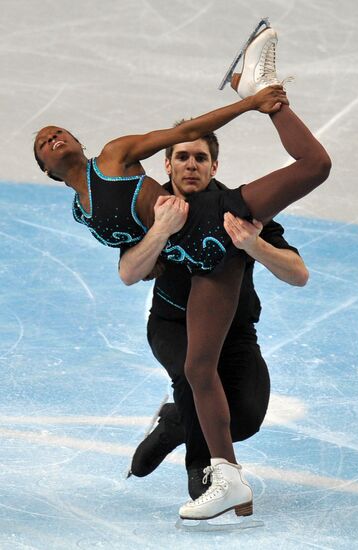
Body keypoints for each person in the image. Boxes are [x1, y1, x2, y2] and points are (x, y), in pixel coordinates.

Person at [33, 26, 331, 520]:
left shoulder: (113, 156)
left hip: (219, 221)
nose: (51, 136)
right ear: (46, 170)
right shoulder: (83, 212)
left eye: (58, 131)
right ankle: (223, 475)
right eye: (42, 142)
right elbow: (132, 269)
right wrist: (159, 234)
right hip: (195, 269)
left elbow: (182, 129)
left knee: (315, 165)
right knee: (195, 369)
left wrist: (250, 105)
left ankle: (258, 87)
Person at [125, 123, 309, 506]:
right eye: (182, 157)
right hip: (172, 325)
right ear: (168, 165)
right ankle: (203, 467)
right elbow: (129, 272)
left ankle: (174, 423)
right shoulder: (150, 207)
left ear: (214, 166)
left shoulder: (237, 207)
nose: (191, 165)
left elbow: (298, 274)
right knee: (195, 381)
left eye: (200, 158)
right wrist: (160, 232)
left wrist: (254, 245)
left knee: (245, 417)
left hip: (235, 329)